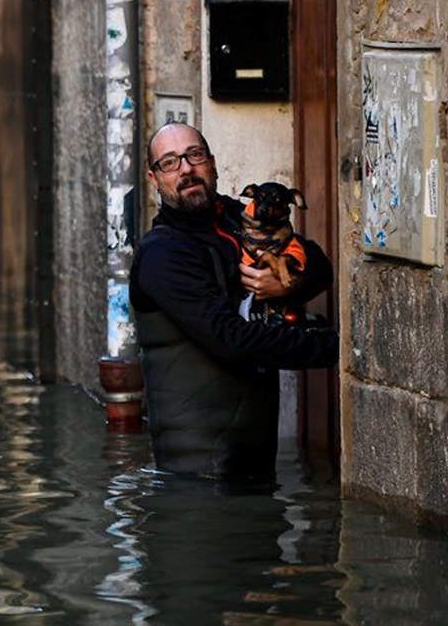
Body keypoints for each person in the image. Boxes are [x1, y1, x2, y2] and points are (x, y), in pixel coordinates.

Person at [129, 122, 338, 481]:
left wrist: (285, 285)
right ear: (154, 178)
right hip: (196, 477)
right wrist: (338, 348)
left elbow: (317, 263)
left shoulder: (237, 218)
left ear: (211, 162)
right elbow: (230, 338)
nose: (186, 169)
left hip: (256, 463)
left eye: (194, 155)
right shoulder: (162, 255)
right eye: (170, 162)